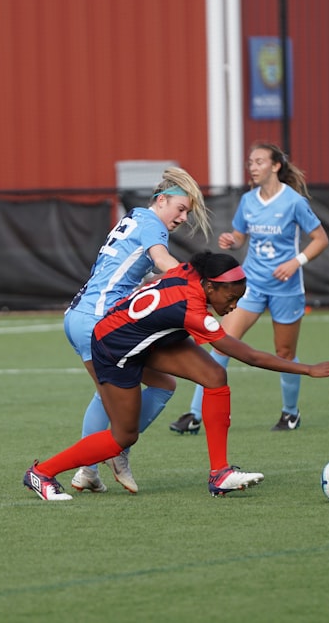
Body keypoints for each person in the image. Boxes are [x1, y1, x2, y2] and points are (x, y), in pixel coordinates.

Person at [24, 251, 329, 501]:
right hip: (114, 349)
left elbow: (161, 282)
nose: (234, 305)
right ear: (209, 287)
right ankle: (41, 473)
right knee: (123, 437)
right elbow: (247, 355)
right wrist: (307, 369)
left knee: (213, 376)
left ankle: (219, 473)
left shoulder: (192, 274)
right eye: (231, 297)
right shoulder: (193, 309)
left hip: (144, 336)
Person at [64, 167, 210, 495]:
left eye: (187, 212)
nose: (184, 218)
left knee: (107, 394)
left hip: (77, 316)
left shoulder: (135, 217)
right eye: (181, 208)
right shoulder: (153, 226)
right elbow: (161, 259)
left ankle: (88, 470)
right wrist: (197, 283)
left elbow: (134, 272)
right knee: (163, 385)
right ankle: (119, 450)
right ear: (161, 200)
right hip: (102, 323)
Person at [170, 142, 329, 435]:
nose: (253, 167)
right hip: (251, 284)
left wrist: (296, 262)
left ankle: (290, 414)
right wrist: (234, 240)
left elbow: (320, 239)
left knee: (284, 352)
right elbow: (242, 237)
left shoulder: (293, 202)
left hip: (286, 287)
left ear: (276, 166)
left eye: (258, 162)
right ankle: (194, 414)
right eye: (250, 163)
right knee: (222, 340)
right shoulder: (248, 201)